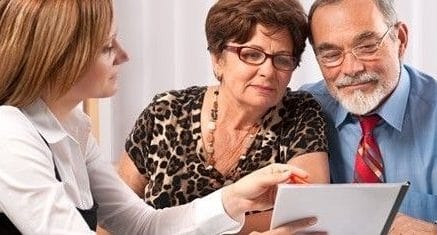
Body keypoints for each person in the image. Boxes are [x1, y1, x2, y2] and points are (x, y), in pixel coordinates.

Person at [0, 0, 320, 234]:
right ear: (61, 56)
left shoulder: (76, 130)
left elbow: (142, 224)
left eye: (282, 59)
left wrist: (234, 198)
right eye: (107, 47)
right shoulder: (9, 134)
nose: (123, 55)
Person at [120, 0, 330, 233]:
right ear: (218, 59)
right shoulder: (166, 112)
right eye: (251, 54)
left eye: (282, 59)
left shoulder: (301, 113)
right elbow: (114, 219)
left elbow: (307, 213)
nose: (268, 71)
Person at [301, 0, 437, 233]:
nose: (352, 69)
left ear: (400, 40)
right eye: (332, 54)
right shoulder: (304, 112)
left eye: (366, 46)